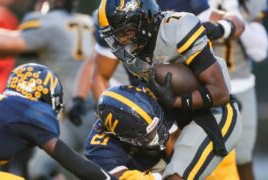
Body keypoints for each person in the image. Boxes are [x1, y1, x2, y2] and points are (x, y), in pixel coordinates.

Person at [0, 0, 100, 178]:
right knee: (48, 166)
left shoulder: (50, 25)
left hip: (77, 115)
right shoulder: (87, 21)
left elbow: (9, 43)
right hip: (93, 110)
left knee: (45, 169)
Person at [94, 0, 243, 179]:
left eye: (126, 31)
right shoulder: (133, 48)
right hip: (177, 120)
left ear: (145, 19)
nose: (122, 40)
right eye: (116, 35)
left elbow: (221, 93)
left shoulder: (179, 28)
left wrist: (175, 101)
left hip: (214, 114)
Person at [84, 85, 241, 179]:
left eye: (158, 127)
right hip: (138, 173)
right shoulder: (101, 151)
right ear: (123, 138)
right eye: (150, 135)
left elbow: (177, 148)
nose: (160, 136)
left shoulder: (151, 96)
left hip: (165, 159)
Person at [207, 0, 268, 179]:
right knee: (204, 162)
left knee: (243, 159)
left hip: (241, 84)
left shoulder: (250, 3)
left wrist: (233, 13)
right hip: (204, 87)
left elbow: (260, 51)